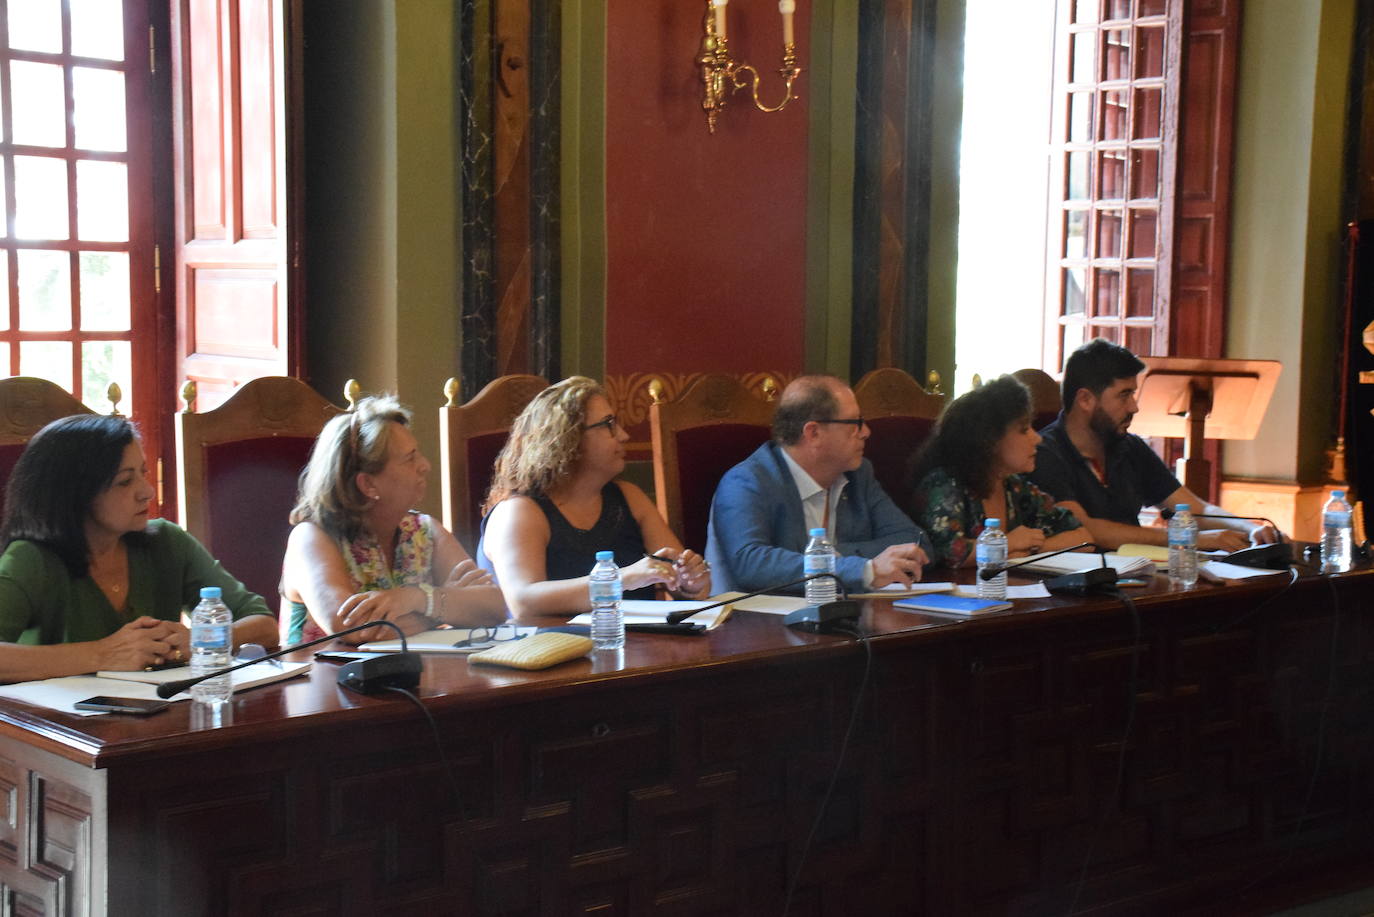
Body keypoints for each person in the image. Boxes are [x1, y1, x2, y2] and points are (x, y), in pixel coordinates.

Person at [0, 414, 277, 682]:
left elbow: (264, 626)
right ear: (76, 492)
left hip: (162, 711)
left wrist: (200, 639)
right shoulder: (30, 559)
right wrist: (102, 654)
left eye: (143, 473)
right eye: (125, 481)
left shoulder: (166, 541)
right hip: (57, 714)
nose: (147, 492)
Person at [478, 376, 711, 621]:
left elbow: (690, 587)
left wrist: (691, 582)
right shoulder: (519, 511)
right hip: (551, 643)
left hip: (635, 642)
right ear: (567, 438)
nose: (623, 435)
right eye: (608, 424)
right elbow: (523, 601)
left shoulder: (630, 498)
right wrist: (620, 579)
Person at [281, 394, 507, 645]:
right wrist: (438, 609)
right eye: (410, 458)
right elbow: (353, 629)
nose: (425, 465)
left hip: (409, 670)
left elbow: (493, 608)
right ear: (368, 484)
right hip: (318, 671)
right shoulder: (311, 537)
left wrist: (416, 598)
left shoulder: (424, 531)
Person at [1028, 338, 1280, 551]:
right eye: (1124, 395)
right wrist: (1191, 539)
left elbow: (1195, 509)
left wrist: (1250, 529)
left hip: (1134, 575)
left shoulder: (1130, 447)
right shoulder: (1045, 453)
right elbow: (1085, 528)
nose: (1134, 407)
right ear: (1085, 399)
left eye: (1133, 394)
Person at [705, 374, 931, 593]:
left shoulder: (858, 476)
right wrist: (863, 569)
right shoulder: (747, 481)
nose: (866, 432)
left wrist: (830, 555)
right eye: (854, 423)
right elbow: (751, 564)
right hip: (756, 616)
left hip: (843, 612)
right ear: (813, 432)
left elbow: (916, 543)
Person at [909, 375, 1085, 566]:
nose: (1038, 438)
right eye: (1024, 430)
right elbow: (945, 552)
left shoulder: (1015, 487)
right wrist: (1008, 543)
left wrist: (1033, 548)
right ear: (990, 439)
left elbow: (1083, 537)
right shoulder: (944, 484)